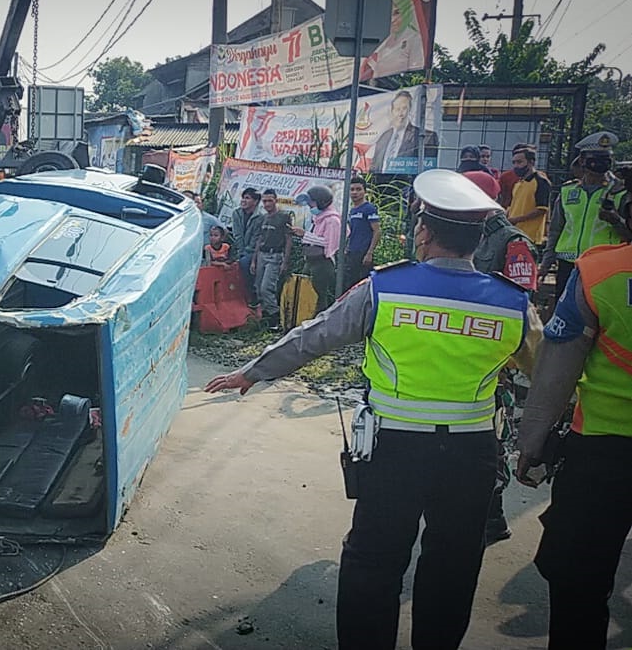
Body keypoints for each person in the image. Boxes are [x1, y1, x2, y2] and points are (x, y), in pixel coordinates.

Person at [205, 169, 534, 650]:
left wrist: (252, 372)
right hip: (472, 455)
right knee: (454, 563)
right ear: (479, 236)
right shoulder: (512, 302)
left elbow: (315, 336)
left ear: (422, 230)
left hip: (393, 449)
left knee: (373, 561)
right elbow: (547, 370)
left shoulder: (385, 289)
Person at [516, 200, 632, 649]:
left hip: (603, 455)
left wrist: (532, 441)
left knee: (580, 585)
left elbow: (555, 370)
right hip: (601, 457)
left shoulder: (599, 274)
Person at [463, 170, 539, 546]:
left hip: (495, 362)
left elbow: (521, 307)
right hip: (458, 351)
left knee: (490, 442)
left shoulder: (512, 242)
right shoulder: (458, 228)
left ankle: (491, 516)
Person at [540, 131, 631, 299]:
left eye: (606, 159)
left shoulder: (621, 193)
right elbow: (555, 230)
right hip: (569, 264)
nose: (600, 164)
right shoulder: (568, 191)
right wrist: (546, 262)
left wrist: (616, 220)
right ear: (582, 161)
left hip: (604, 264)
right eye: (595, 159)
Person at [291, 186, 340, 312]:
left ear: (321, 202)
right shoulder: (318, 219)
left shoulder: (332, 220)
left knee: (319, 295)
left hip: (323, 262)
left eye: (311, 203)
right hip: (311, 260)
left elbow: (329, 243)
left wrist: (305, 235)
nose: (309, 205)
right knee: (305, 291)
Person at [369, 90, 439, 173]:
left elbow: (427, 170)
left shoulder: (426, 137)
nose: (401, 114)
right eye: (397, 109)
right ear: (392, 112)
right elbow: (374, 166)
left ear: (410, 110)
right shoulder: (384, 137)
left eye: (404, 108)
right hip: (381, 183)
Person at [252, 189, 292, 329]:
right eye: (265, 201)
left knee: (266, 288)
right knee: (258, 287)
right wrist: (254, 260)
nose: (267, 204)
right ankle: (265, 318)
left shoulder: (283, 217)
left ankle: (276, 319)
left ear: (276, 200)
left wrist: (285, 262)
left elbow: (288, 240)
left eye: (270, 200)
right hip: (262, 254)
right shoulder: (263, 218)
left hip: (275, 255)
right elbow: (260, 239)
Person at [506, 145, 551, 246]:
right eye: (514, 162)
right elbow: (514, 206)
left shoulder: (541, 181)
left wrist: (516, 219)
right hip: (514, 233)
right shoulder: (518, 183)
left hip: (530, 237)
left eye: (519, 162)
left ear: (531, 162)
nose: (516, 166)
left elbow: (541, 209)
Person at [344, 176, 382, 289]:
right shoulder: (352, 210)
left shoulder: (369, 209)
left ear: (364, 191)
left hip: (363, 253)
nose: (355, 192)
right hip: (352, 252)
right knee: (349, 285)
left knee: (361, 285)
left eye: (358, 189)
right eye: (352, 189)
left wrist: (369, 253)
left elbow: (377, 231)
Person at [230, 188, 264, 304]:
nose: (243, 201)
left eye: (247, 198)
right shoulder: (236, 213)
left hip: (254, 251)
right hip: (241, 249)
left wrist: (246, 252)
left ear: (255, 201)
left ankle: (252, 293)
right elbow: (237, 234)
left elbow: (257, 238)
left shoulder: (260, 217)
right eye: (243, 197)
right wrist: (240, 251)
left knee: (244, 262)